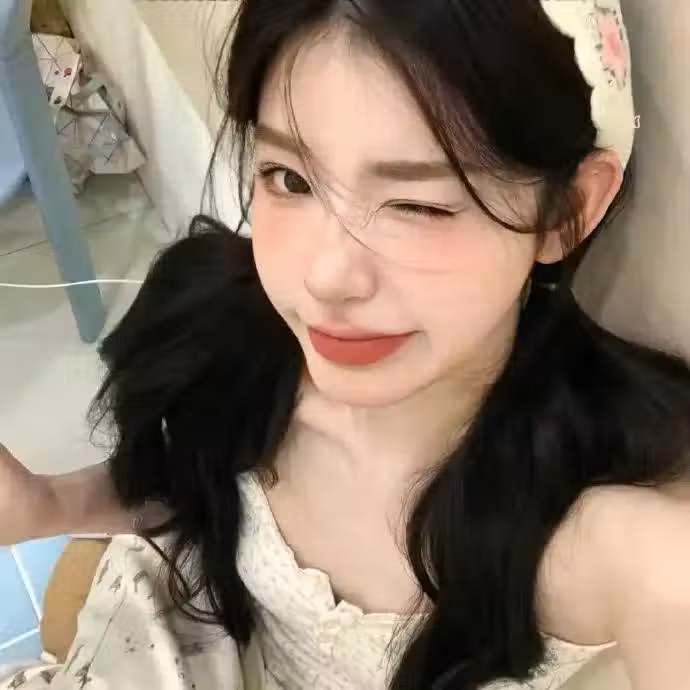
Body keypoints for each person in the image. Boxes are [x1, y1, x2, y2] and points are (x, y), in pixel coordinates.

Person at [2, 0, 690, 688]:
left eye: (419, 204)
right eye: (289, 179)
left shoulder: (608, 537)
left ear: (567, 212)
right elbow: (191, 497)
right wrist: (47, 507)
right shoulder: (233, 343)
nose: (325, 277)